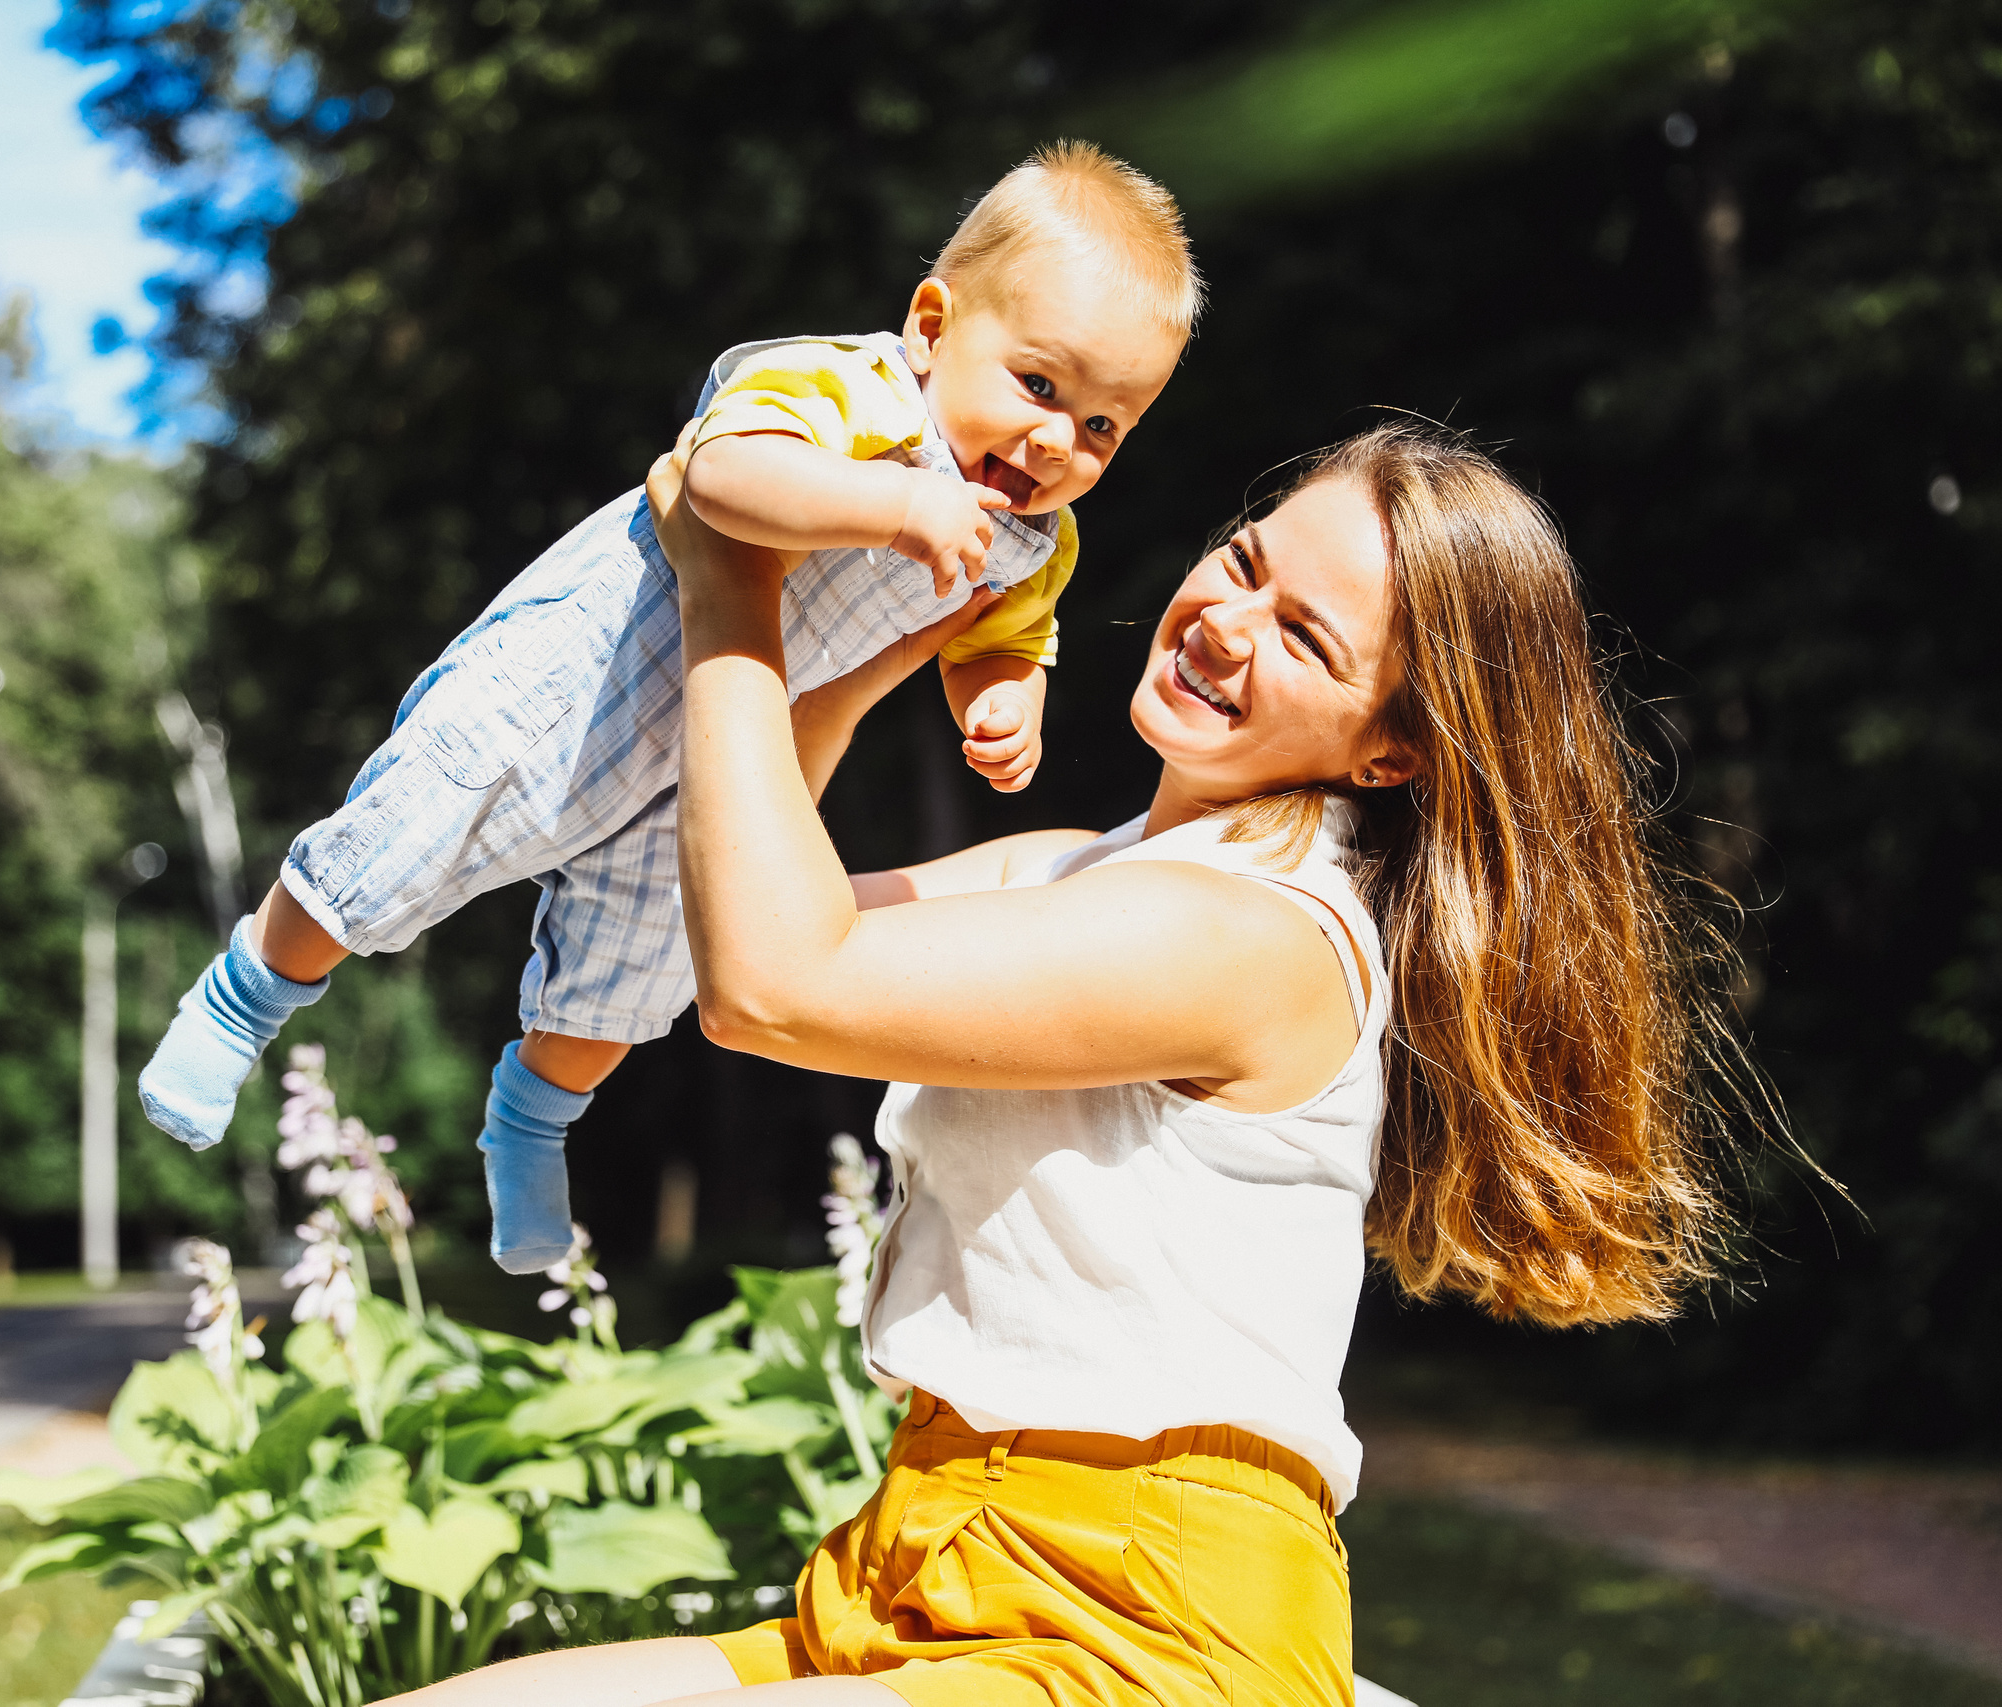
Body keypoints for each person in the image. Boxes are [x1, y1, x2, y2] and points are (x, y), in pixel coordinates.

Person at [382, 420, 1758, 1707]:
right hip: (913, 1555)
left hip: (1141, 1617)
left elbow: (774, 990)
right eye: (1244, 559)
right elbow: (727, 919)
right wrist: (876, 633)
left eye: (1304, 635)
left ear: (1391, 748)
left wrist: (729, 591)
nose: (1226, 620)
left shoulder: (1252, 934)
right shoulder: (1081, 871)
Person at [134, 141, 1201, 1273]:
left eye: (1102, 428)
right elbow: (721, 480)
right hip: (584, 677)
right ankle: (243, 996)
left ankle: (531, 1123)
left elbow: (998, 641)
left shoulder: (1038, 542)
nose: (1056, 443)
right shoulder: (850, 388)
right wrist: (892, 503)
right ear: (932, 328)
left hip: (720, 754)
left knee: (632, 977)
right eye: (1040, 386)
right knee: (402, 841)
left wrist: (1002, 702)